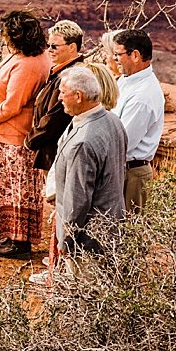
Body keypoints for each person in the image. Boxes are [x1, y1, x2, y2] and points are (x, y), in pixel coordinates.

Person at [0, 10, 52, 258]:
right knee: (7, 186)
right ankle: (10, 235)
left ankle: (19, 243)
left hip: (14, 137)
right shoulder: (25, 57)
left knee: (16, 188)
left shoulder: (28, 65)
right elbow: (0, 91)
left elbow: (13, 105)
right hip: (4, 134)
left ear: (16, 36)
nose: (4, 38)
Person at [51, 64, 128, 265]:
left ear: (78, 96)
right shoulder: (113, 120)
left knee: (81, 291)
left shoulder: (83, 142)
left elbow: (77, 200)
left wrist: (67, 241)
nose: (59, 98)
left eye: (62, 92)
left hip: (87, 240)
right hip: (111, 228)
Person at [109, 28, 165, 212]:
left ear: (135, 55)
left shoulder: (143, 97)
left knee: (126, 233)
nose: (115, 59)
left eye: (118, 54)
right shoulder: (127, 80)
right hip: (121, 169)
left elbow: (122, 142)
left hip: (131, 175)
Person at [23, 19, 86, 173]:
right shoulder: (59, 72)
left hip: (56, 155)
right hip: (52, 153)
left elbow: (54, 119)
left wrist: (29, 141)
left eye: (54, 46)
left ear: (72, 47)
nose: (49, 50)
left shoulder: (70, 76)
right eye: (48, 45)